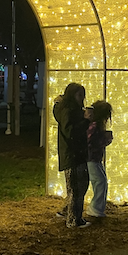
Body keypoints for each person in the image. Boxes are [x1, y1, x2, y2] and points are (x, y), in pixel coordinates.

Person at [53, 83, 91, 228]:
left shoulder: (70, 110)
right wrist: (86, 120)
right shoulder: (68, 111)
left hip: (74, 154)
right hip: (73, 154)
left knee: (76, 186)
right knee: (77, 187)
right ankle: (73, 219)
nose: (82, 98)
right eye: (79, 95)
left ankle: (68, 212)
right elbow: (71, 132)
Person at [85, 100, 114, 218]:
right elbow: (92, 142)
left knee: (101, 181)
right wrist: (105, 139)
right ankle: (95, 208)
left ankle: (96, 208)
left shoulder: (93, 126)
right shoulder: (95, 127)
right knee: (100, 181)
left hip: (94, 158)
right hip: (92, 158)